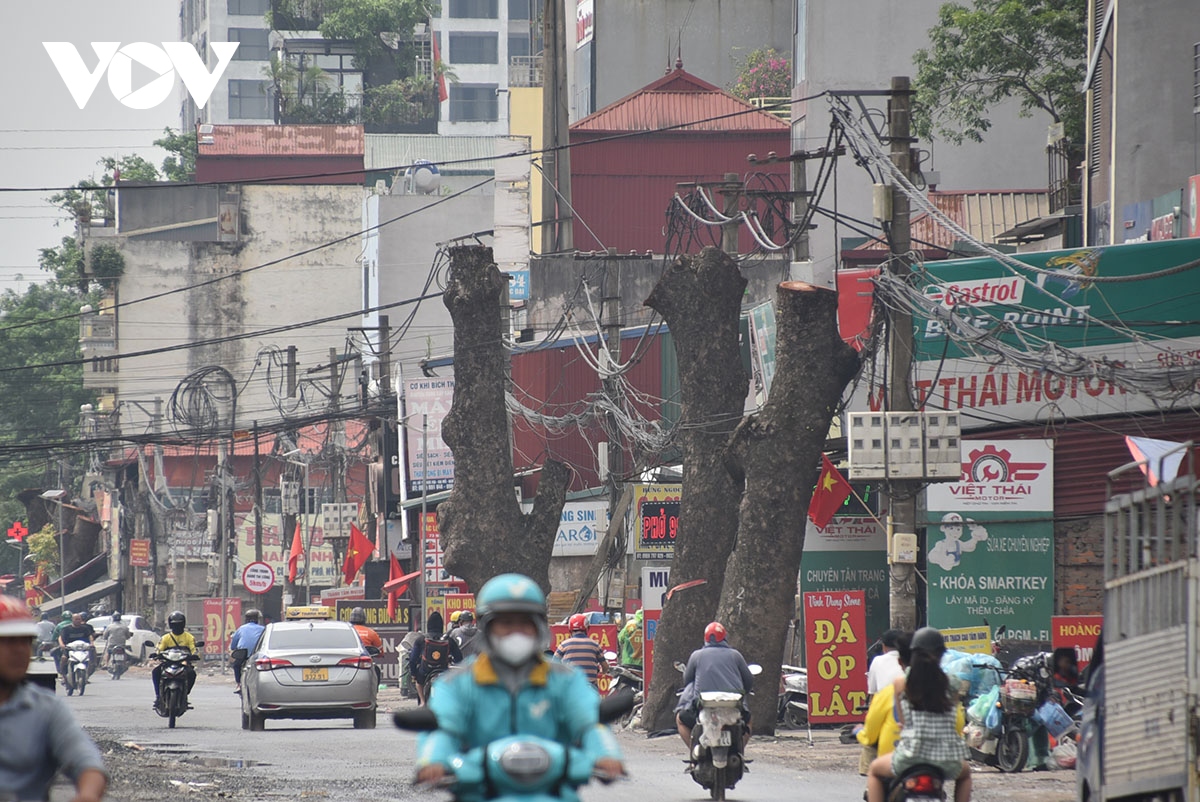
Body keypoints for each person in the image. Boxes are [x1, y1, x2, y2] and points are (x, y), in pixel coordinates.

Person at [415, 573, 625, 800]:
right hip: (479, 791)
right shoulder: (458, 683)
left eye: (525, 624)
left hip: (553, 790)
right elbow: (443, 728)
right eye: (506, 624)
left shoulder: (565, 679)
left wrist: (606, 755)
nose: (516, 632)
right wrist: (433, 761)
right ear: (487, 628)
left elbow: (591, 723)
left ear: (538, 628)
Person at [0, 596, 108, 802]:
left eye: (25, 641)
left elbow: (86, 762)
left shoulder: (46, 709)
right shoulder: (64, 631)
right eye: (8, 641)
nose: (19, 650)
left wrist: (88, 794)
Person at [866, 627, 971, 802]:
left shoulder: (901, 683)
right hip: (946, 758)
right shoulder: (952, 682)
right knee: (965, 775)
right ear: (941, 654)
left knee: (875, 771)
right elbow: (953, 714)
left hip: (910, 756)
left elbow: (904, 721)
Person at [675, 621, 755, 749]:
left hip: (704, 707)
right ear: (725, 637)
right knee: (748, 720)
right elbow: (748, 681)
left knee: (680, 719)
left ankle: (695, 751)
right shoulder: (736, 655)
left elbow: (688, 680)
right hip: (733, 708)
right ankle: (740, 751)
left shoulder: (696, 656)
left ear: (705, 638)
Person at [409, 616, 462, 705]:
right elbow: (459, 658)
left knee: (419, 683)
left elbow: (412, 660)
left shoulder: (421, 639)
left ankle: (422, 702)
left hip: (425, 671)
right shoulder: (449, 640)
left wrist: (414, 674)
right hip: (444, 671)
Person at [152, 611, 198, 711]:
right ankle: (158, 696)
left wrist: (194, 655)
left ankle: (185, 693)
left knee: (192, 673)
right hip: (168, 663)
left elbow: (194, 649)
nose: (177, 626)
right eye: (174, 624)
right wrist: (156, 654)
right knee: (155, 672)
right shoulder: (165, 638)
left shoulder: (189, 637)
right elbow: (159, 649)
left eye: (179, 624)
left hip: (183, 663)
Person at [554, 614, 608, 686]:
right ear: (587, 628)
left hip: (570, 687)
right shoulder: (595, 645)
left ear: (570, 629)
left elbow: (554, 663)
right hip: (589, 687)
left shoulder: (564, 645)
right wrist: (603, 671)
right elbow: (605, 666)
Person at [229, 608, 264, 694]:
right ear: (258, 619)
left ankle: (239, 684)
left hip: (243, 654)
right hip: (258, 654)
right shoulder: (263, 629)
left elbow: (233, 645)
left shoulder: (241, 628)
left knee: (236, 665)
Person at [57, 612, 97, 686]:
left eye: (79, 619)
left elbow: (90, 636)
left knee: (92, 657)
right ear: (72, 620)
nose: (78, 621)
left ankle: (87, 673)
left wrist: (91, 643)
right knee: (64, 659)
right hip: (70, 649)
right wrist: (62, 645)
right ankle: (64, 677)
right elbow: (60, 637)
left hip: (82, 649)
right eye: (76, 619)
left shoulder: (84, 628)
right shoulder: (66, 629)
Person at [867, 629, 907, 696]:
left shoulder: (877, 661)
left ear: (884, 647)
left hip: (885, 704)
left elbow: (872, 693)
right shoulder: (911, 660)